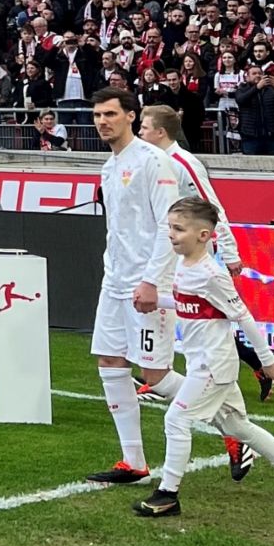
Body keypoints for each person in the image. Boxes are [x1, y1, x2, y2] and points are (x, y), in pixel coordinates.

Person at [133, 198, 274, 517]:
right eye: (170, 228)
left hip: (213, 366)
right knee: (239, 426)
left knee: (176, 418)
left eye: (179, 229)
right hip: (202, 363)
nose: (172, 235)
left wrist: (266, 360)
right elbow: (193, 305)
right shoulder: (184, 267)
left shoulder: (211, 274)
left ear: (204, 235)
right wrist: (159, 301)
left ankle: (168, 494)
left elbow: (243, 315)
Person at [139, 104, 274, 402]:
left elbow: (212, 208)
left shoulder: (183, 163)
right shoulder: (150, 161)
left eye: (144, 127)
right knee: (178, 311)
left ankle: (244, 369)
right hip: (167, 247)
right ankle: (161, 373)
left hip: (191, 252)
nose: (139, 133)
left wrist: (229, 251)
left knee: (198, 315)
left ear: (160, 132)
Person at [85, 88, 181, 485]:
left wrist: (151, 280)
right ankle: (134, 462)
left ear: (130, 116)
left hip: (147, 282)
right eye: (97, 115)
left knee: (155, 376)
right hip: (116, 280)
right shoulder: (110, 166)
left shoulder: (153, 161)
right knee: (109, 360)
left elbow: (168, 224)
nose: (102, 121)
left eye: (110, 114)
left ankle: (229, 422)